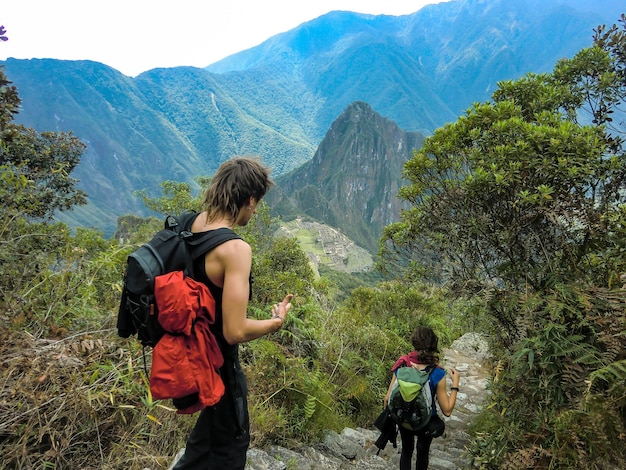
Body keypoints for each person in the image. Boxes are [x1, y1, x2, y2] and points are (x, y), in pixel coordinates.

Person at [171, 156, 292, 470]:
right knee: (231, 446)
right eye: (258, 204)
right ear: (250, 200)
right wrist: (276, 322)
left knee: (205, 442)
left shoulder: (186, 223)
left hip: (186, 352)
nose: (257, 210)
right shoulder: (235, 250)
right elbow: (234, 331)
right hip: (219, 366)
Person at [384, 326, 460, 470]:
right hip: (425, 421)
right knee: (422, 453)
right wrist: (455, 384)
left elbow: (387, 399)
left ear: (414, 343)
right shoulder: (437, 373)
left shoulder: (402, 364)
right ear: (433, 346)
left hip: (404, 418)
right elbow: (447, 410)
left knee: (406, 451)